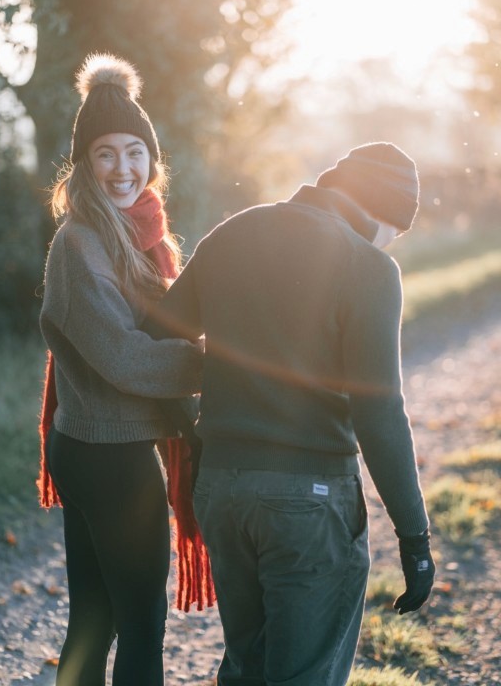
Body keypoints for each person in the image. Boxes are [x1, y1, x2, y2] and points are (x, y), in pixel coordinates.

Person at [156, 142, 436, 686]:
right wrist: (414, 538)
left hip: (222, 492)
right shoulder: (368, 267)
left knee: (246, 668)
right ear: (380, 212)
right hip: (309, 502)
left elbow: (158, 340)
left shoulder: (233, 233)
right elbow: (379, 412)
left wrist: (192, 432)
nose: (388, 245)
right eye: (394, 233)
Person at [37, 52, 212, 686]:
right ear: (84, 164)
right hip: (108, 454)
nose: (123, 168)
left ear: (152, 159)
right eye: (106, 153)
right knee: (140, 624)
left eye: (135, 152)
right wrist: (216, 368)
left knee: (96, 618)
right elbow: (124, 356)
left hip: (93, 446)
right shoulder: (81, 244)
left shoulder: (141, 236)